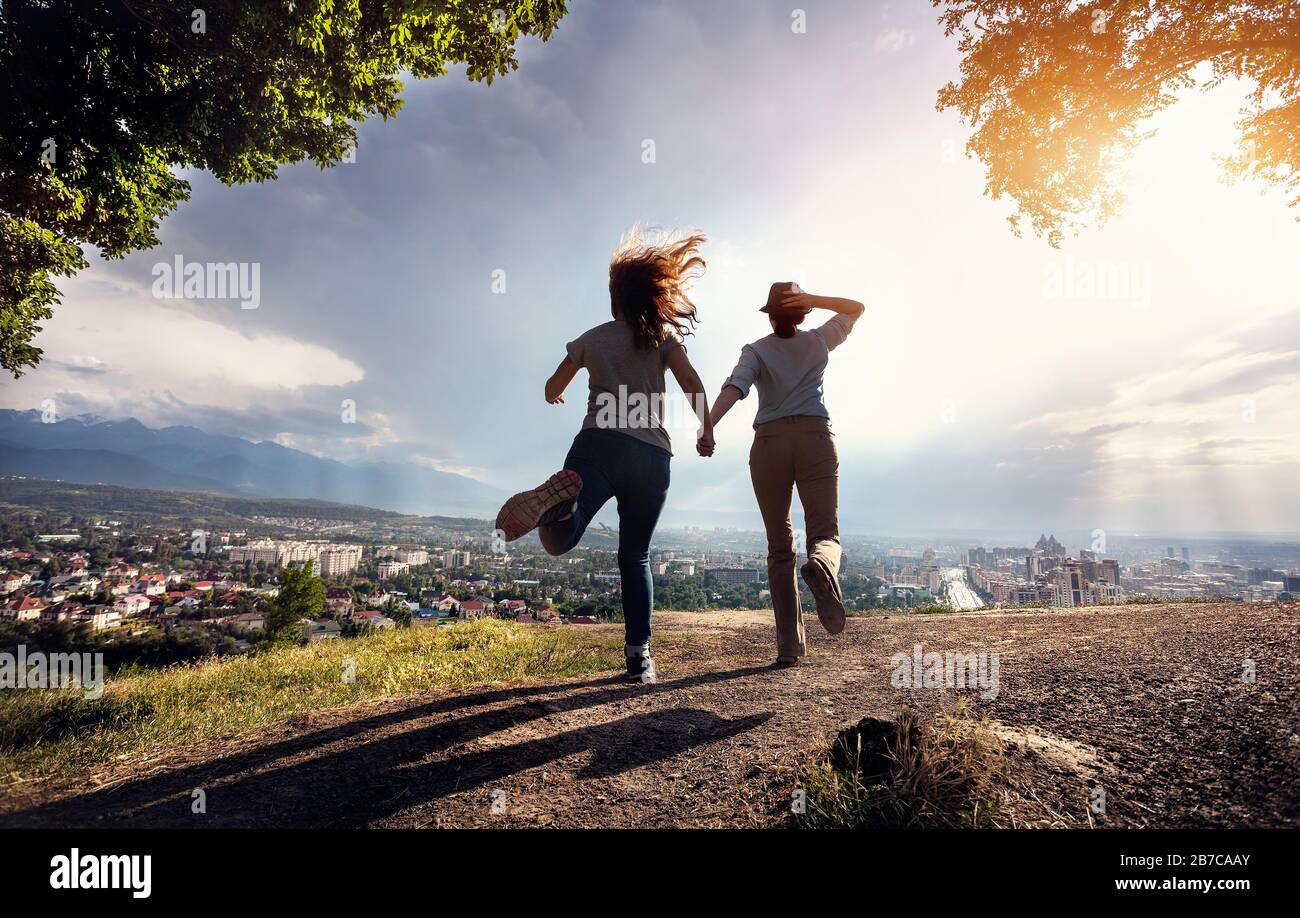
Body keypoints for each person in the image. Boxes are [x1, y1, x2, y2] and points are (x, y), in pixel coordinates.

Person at [494, 229, 715, 684]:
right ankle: (640, 659)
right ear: (651, 298)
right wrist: (705, 426)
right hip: (652, 458)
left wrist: (556, 393)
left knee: (559, 541)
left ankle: (561, 509)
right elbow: (692, 383)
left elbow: (552, 387)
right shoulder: (664, 337)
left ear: (614, 299)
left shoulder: (592, 338)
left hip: (598, 445)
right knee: (635, 556)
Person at [708, 282, 864, 666]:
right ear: (802, 313)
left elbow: (735, 387)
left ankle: (789, 646)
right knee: (824, 532)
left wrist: (708, 425)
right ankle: (823, 567)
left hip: (769, 445)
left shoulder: (756, 350)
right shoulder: (818, 341)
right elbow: (856, 306)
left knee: (779, 547)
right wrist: (815, 300)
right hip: (815, 438)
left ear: (771, 315)